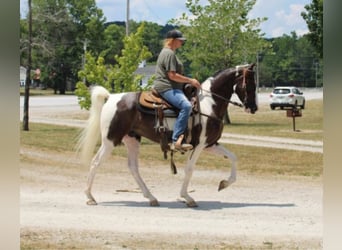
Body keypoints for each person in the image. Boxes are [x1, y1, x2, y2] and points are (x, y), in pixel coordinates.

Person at [153, 29, 201, 151]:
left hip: (172, 86)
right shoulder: (169, 54)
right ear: (173, 40)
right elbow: (172, 76)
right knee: (186, 106)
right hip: (168, 87)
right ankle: (176, 141)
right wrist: (191, 81)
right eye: (180, 41)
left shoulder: (169, 53)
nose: (181, 43)